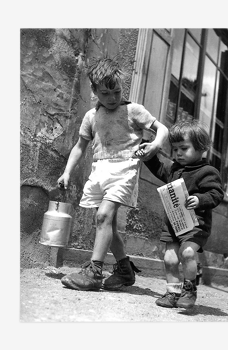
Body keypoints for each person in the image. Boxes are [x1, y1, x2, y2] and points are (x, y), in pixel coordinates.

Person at [58, 56, 168, 292]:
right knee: (106, 223)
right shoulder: (91, 116)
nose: (112, 98)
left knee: (104, 216)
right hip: (100, 170)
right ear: (95, 90)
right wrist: (67, 172)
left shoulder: (133, 111)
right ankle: (125, 270)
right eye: (105, 94)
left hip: (124, 169)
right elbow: (80, 147)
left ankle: (94, 272)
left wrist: (156, 145)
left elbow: (163, 129)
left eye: (116, 92)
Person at [137, 120, 224, 308]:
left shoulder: (208, 171)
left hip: (195, 224)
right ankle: (172, 292)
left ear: (201, 148)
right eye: (175, 149)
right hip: (174, 221)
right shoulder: (174, 169)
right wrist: (148, 156)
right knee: (169, 258)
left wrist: (200, 199)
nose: (178, 153)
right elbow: (160, 169)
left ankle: (189, 289)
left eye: (184, 148)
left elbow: (216, 194)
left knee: (188, 253)